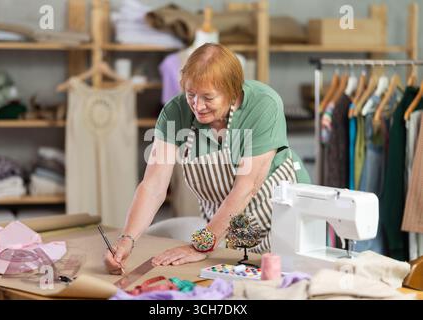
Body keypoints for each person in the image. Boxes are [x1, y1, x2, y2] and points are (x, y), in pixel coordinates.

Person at [104, 43, 311, 275]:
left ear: (232, 91)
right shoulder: (175, 113)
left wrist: (201, 245)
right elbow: (153, 186)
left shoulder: (264, 105)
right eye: (191, 95)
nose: (197, 106)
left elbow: (246, 187)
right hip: (223, 228)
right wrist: (127, 240)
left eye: (208, 98)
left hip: (280, 218)